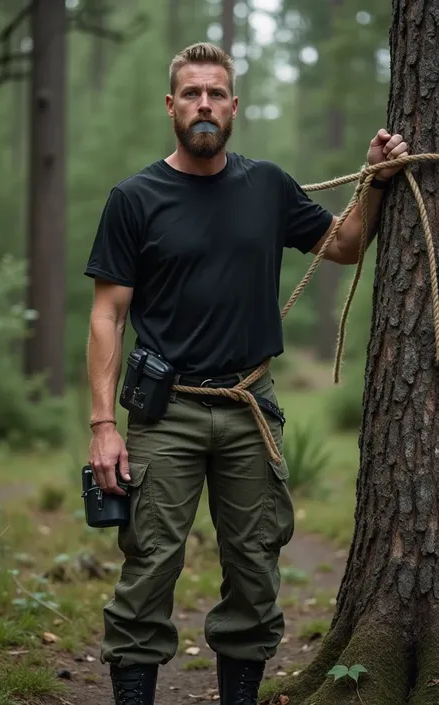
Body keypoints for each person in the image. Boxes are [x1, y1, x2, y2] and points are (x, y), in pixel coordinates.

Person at [84, 42, 409, 705]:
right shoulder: (134, 198)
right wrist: (102, 427)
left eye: (216, 93)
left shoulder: (267, 186)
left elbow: (345, 246)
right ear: (171, 106)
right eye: (192, 93)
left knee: (255, 569)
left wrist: (374, 180)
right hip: (162, 411)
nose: (204, 104)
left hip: (248, 406)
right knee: (147, 568)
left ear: (234, 106)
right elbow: (107, 316)